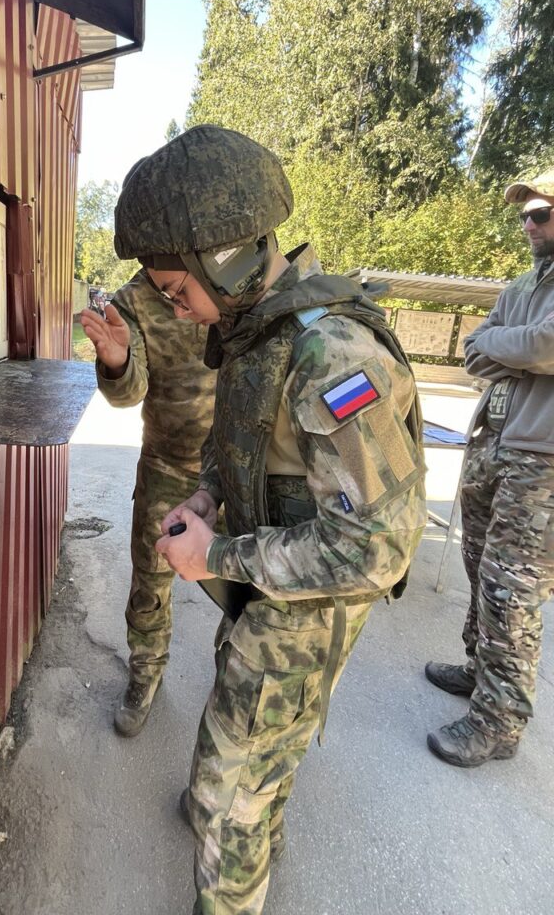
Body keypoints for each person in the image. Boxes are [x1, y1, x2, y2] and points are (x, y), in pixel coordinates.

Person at [112, 125, 426, 915]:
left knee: (231, 797)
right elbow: (246, 442)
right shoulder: (261, 332)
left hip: (303, 612)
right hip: (269, 591)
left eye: (177, 291)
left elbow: (377, 550)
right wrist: (208, 497)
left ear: (225, 257)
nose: (176, 310)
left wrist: (220, 558)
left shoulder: (335, 358)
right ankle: (245, 813)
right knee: (248, 751)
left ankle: (235, 839)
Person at [425, 168, 554, 767]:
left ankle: (498, 722)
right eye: (525, 214)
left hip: (541, 462)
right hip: (493, 445)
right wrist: (519, 349)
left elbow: (546, 347)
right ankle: (483, 671)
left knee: (512, 591)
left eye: (543, 213)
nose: (530, 223)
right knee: (479, 565)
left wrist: (519, 348)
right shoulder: (522, 286)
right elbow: (476, 349)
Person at [80, 252, 217, 736]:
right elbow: (127, 392)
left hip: (244, 464)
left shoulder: (229, 278)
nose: (175, 300)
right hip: (170, 463)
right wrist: (116, 363)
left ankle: (239, 688)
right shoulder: (134, 300)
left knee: (249, 579)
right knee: (151, 580)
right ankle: (146, 672)